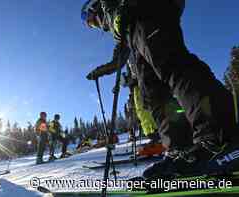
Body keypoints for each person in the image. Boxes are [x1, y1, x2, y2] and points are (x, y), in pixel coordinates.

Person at [81, 0, 239, 179]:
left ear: (94, 7)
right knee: (153, 93)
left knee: (172, 64)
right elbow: (119, 55)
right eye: (90, 25)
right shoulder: (116, 22)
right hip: (132, 28)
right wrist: (100, 71)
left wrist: (123, 7)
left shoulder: (113, 7)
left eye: (90, 19)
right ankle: (180, 149)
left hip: (145, 8)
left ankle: (220, 139)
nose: (94, 25)